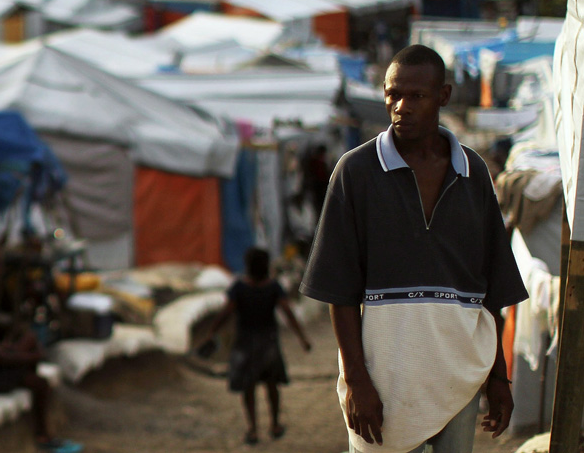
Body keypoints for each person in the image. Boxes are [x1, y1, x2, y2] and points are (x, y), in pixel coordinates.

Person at [300, 44, 529, 453]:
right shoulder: (355, 172)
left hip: (462, 373)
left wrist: (498, 378)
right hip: (385, 379)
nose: (400, 106)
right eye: (392, 94)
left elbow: (490, 289)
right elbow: (339, 291)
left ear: (443, 96)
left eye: (415, 96)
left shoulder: (473, 173)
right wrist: (356, 380)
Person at [195, 247, 312, 446]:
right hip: (268, 343)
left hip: (245, 344)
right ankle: (275, 424)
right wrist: (302, 338)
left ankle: (252, 430)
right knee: (272, 385)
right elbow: (288, 313)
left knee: (248, 388)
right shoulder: (273, 287)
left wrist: (211, 332)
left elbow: (226, 312)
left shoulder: (239, 288)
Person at [0, 301, 82, 453]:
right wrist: (35, 356)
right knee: (41, 383)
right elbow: (5, 358)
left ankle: (45, 435)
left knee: (30, 339)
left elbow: (1, 353)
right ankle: (43, 435)